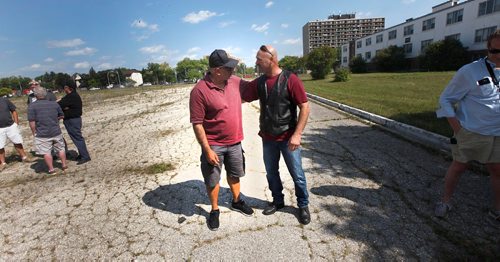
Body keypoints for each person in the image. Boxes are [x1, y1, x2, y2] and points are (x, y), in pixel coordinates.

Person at [435, 29, 500, 223]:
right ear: (488, 48)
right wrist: (457, 128)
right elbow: (445, 99)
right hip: (470, 132)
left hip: (497, 134)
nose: (497, 55)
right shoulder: (470, 71)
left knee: (497, 171)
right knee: (458, 167)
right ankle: (445, 201)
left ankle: (497, 209)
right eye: (494, 51)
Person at [241, 45, 311, 225]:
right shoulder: (260, 82)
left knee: (297, 175)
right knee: (272, 174)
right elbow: (242, 95)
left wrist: (297, 134)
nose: (256, 62)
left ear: (271, 60)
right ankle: (278, 201)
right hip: (268, 138)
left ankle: (303, 205)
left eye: (259, 59)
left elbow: (305, 106)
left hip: (289, 139)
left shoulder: (291, 79)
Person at [189, 49, 254, 231]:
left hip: (234, 142)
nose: (233, 71)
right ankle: (215, 210)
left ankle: (236, 201)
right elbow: (197, 123)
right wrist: (207, 149)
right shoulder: (199, 91)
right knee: (212, 180)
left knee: (234, 174)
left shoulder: (234, 81)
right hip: (214, 145)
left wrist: (272, 79)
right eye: (229, 68)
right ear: (217, 70)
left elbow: (253, 90)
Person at [28, 86, 67, 174]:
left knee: (46, 152)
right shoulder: (54, 104)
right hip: (56, 131)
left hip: (42, 133)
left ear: (35, 95)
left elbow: (32, 122)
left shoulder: (32, 106)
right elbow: (61, 115)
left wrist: (34, 132)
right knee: (61, 149)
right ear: (45, 94)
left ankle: (51, 169)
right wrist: (55, 121)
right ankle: (64, 165)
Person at [58, 83, 91, 165]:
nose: (64, 89)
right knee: (76, 137)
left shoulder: (71, 96)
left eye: (65, 87)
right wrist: (65, 107)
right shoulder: (73, 96)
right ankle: (82, 154)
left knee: (77, 138)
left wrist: (64, 107)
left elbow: (59, 104)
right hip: (73, 120)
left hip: (72, 120)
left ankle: (85, 156)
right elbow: (62, 104)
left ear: (69, 88)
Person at [0, 97, 35, 171]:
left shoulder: (4, 100)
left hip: (11, 126)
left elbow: (14, 111)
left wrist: (16, 123)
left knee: (17, 142)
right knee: (0, 146)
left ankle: (24, 157)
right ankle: (3, 163)